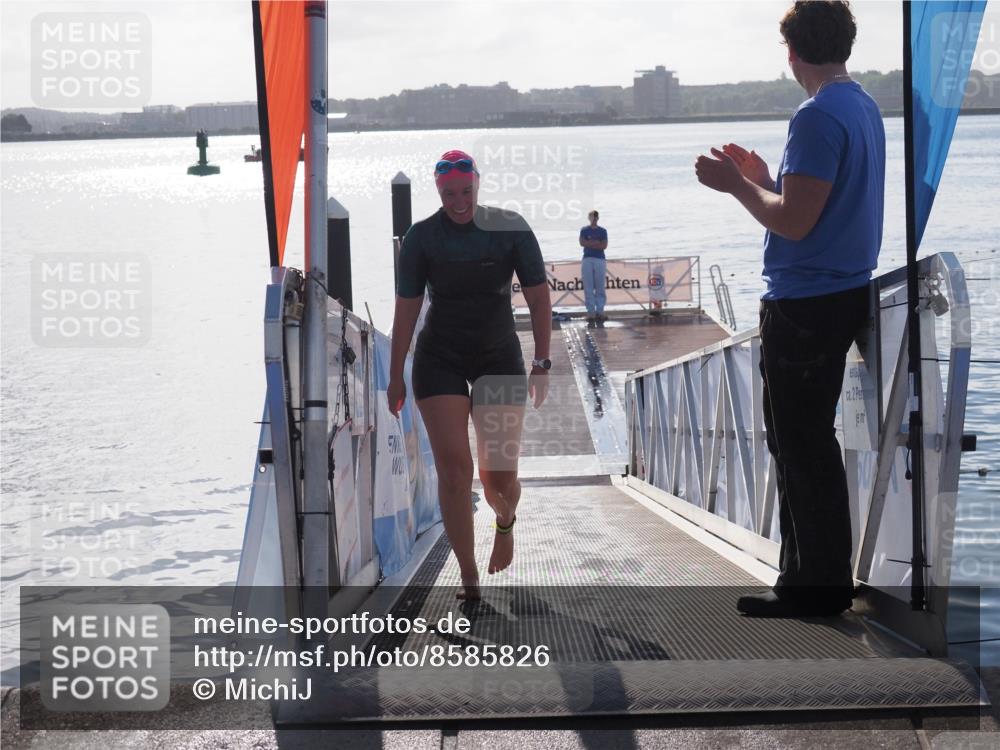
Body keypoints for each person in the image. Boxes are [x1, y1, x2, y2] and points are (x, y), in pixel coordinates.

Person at [694, 0, 884, 617]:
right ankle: (815, 578)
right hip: (843, 291)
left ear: (792, 51)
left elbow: (795, 223)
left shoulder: (816, 114)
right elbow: (818, 206)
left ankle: (813, 586)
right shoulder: (861, 106)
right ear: (844, 45)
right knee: (807, 441)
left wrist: (736, 186)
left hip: (805, 302)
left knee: (799, 444)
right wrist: (764, 178)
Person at [388, 150, 553, 600]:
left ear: (478, 184)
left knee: (497, 478)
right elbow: (406, 311)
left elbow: (539, 299)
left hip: (498, 356)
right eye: (449, 195)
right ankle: (468, 574)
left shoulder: (511, 228)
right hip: (439, 358)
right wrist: (395, 375)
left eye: (465, 191)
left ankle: (505, 520)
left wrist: (541, 363)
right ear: (438, 192)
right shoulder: (422, 238)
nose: (459, 202)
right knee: (455, 473)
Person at [579, 210, 608, 322]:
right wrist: (596, 242)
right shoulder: (584, 230)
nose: (594, 219)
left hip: (600, 259)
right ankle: (591, 312)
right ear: (589, 218)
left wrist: (590, 243)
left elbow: (604, 245)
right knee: (588, 287)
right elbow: (582, 243)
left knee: (600, 287)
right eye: (592, 216)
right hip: (587, 259)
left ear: (598, 218)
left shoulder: (603, 231)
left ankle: (600, 311)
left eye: (596, 217)